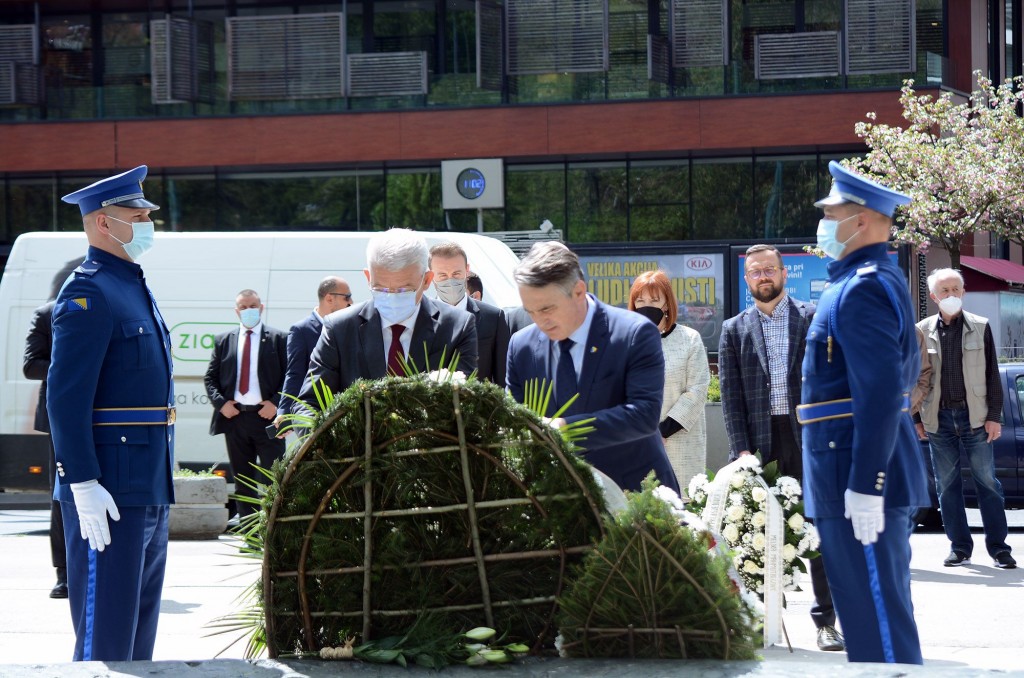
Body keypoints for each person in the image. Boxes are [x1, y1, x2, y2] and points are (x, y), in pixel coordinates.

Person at [797, 161, 929, 664]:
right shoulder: (865, 280)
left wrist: (867, 484)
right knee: (870, 616)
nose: (824, 225)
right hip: (848, 469)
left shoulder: (863, 287)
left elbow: (877, 393)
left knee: (877, 628)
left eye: (833, 215)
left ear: (865, 221)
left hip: (855, 475)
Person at [49, 166, 175, 661]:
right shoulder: (90, 292)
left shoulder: (132, 284)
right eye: (137, 214)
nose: (147, 222)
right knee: (106, 637)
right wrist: (80, 481)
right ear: (104, 223)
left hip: (145, 486)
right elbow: (66, 397)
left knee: (138, 635)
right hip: (108, 489)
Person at [718, 244, 843, 652]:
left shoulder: (812, 317)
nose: (763, 277)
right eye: (755, 272)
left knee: (820, 532)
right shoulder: (734, 329)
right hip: (759, 445)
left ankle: (826, 622)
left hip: (809, 441)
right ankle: (759, 621)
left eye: (770, 269)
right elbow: (732, 398)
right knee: (756, 533)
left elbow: (831, 379)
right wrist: (740, 452)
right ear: (747, 279)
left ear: (784, 273)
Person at [505, 241, 678, 494]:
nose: (540, 320)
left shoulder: (633, 333)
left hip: (636, 498)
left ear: (578, 291)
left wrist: (563, 429)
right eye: (530, 311)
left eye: (547, 308)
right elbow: (518, 420)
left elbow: (643, 415)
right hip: (560, 499)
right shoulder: (521, 346)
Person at [297, 228, 478, 406]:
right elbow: (309, 403)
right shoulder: (339, 328)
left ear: (426, 280)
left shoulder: (456, 327)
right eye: (381, 289)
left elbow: (464, 405)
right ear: (368, 277)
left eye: (404, 290)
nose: (392, 297)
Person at [914, 268, 1015, 569]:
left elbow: (992, 376)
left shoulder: (981, 327)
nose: (951, 295)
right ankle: (959, 547)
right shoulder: (921, 330)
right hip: (938, 418)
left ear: (963, 292)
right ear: (933, 296)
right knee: (947, 486)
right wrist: (917, 419)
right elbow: (917, 378)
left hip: (975, 418)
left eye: (956, 289)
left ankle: (999, 548)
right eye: (944, 291)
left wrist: (994, 417)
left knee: (988, 482)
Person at [204, 290, 288, 519]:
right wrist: (221, 404)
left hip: (268, 419)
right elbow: (210, 378)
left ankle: (275, 534)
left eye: (252, 305)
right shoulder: (224, 341)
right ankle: (249, 537)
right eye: (243, 306)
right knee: (243, 481)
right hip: (236, 419)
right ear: (236, 310)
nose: (248, 310)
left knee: (276, 479)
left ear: (261, 308)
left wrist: (275, 403)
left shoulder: (279, 339)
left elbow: (291, 376)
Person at [627, 270, 710, 493]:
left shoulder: (689, 339)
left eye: (654, 300)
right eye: (640, 300)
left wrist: (662, 431)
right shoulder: (627, 341)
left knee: (684, 513)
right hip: (638, 443)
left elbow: (697, 389)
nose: (646, 306)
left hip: (679, 442)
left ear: (667, 304)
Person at [23, 299, 68, 599]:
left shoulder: (108, 307)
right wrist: (72, 365)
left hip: (105, 416)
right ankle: (64, 573)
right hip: (60, 417)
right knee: (61, 496)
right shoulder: (47, 313)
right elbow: (31, 366)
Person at [429, 242, 510, 384]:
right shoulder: (421, 318)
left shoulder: (493, 318)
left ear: (467, 270)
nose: (450, 280)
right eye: (442, 275)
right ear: (430, 276)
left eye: (456, 273)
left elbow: (502, 378)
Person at [275, 276, 352, 424]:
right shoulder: (301, 330)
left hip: (348, 411)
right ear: (329, 299)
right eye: (347, 297)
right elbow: (295, 373)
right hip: (317, 415)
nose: (351, 303)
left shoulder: (349, 326)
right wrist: (284, 411)